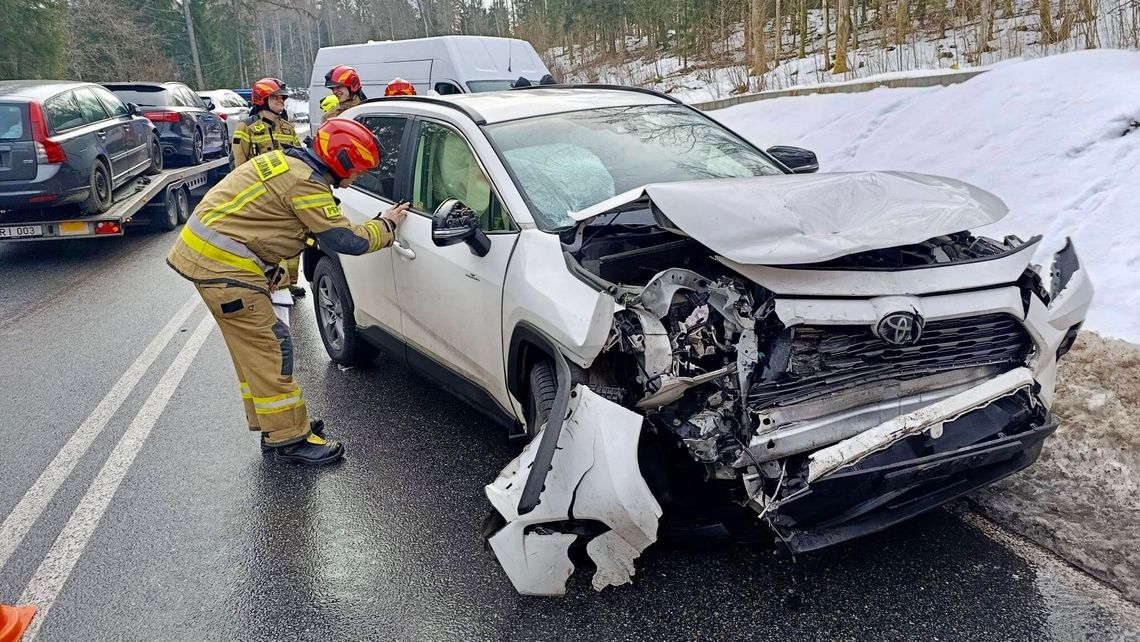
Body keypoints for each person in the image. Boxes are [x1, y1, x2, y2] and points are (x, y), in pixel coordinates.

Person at [167, 118, 411, 466]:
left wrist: (269, 267)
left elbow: (260, 219)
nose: (356, 178)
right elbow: (348, 240)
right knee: (270, 349)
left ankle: (275, 427)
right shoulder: (305, 183)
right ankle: (290, 439)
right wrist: (386, 224)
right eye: (356, 170)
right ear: (339, 161)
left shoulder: (287, 162)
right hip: (223, 267)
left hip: (213, 259)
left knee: (255, 353)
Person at [232, 78, 307, 297]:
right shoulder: (246, 127)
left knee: (291, 238)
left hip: (286, 194)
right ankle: (266, 281)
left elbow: (299, 158)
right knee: (263, 241)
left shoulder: (287, 128)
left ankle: (289, 283)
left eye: (282, 97)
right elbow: (239, 164)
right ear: (262, 100)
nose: (281, 101)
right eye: (275, 97)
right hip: (260, 195)